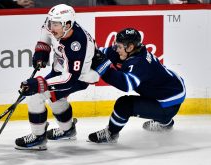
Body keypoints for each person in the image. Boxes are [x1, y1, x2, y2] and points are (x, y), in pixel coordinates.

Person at [15, 4, 99, 150]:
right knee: (55, 98)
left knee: (36, 95)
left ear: (67, 25)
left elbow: (71, 78)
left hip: (79, 77)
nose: (51, 27)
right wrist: (42, 52)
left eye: (56, 24)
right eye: (51, 22)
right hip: (60, 70)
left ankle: (38, 138)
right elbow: (45, 34)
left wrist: (38, 84)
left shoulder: (77, 44)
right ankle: (68, 130)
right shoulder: (54, 26)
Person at [88, 28, 186, 143]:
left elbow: (126, 85)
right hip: (165, 89)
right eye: (116, 45)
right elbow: (100, 54)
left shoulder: (140, 63)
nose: (116, 49)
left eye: (119, 47)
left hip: (169, 102)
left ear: (130, 47)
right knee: (148, 91)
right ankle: (166, 122)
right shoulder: (127, 50)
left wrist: (102, 69)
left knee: (124, 105)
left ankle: (111, 134)